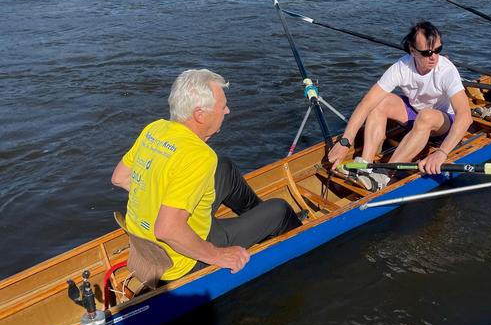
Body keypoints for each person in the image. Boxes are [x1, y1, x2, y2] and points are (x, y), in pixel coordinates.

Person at [111, 69, 301, 282]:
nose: (227, 111)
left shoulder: (155, 129)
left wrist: (157, 199)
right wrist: (218, 255)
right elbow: (167, 229)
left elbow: (119, 177)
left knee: (223, 167)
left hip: (144, 249)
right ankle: (301, 252)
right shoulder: (199, 156)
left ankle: (261, 224)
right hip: (181, 262)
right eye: (222, 107)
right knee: (280, 210)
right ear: (200, 114)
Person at [326, 21, 472, 191]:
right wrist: (346, 141)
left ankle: (384, 175)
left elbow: (465, 116)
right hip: (416, 114)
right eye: (427, 52)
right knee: (380, 101)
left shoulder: (446, 70)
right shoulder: (401, 67)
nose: (434, 57)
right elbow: (367, 103)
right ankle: (364, 165)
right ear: (412, 50)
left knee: (426, 115)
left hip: (444, 123)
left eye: (438, 50)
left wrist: (442, 152)